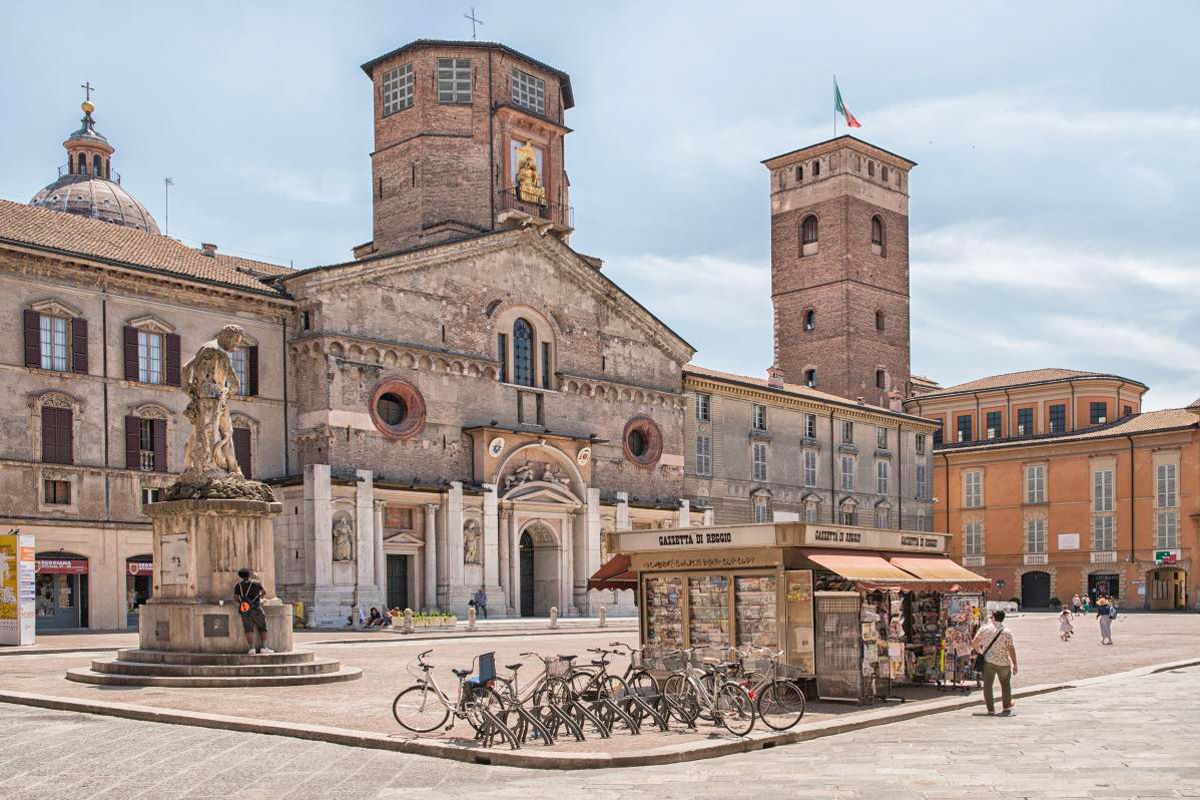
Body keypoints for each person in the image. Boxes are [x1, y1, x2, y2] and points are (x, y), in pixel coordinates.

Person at [972, 609, 1018, 716]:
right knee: (1005, 684)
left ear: (993, 617)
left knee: (988, 686)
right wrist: (1015, 664)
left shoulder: (984, 629)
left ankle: (991, 709)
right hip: (1004, 662)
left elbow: (974, 642)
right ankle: (1006, 705)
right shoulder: (1007, 632)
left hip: (989, 661)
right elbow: (1011, 649)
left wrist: (981, 652)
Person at [234, 567, 272, 655]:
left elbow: (235, 598)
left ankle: (252, 648)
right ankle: (264, 647)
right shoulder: (256, 583)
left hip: (245, 609)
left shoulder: (238, 586)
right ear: (249, 574)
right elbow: (264, 592)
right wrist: (258, 597)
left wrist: (242, 603)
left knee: (248, 629)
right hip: (256, 607)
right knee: (263, 627)